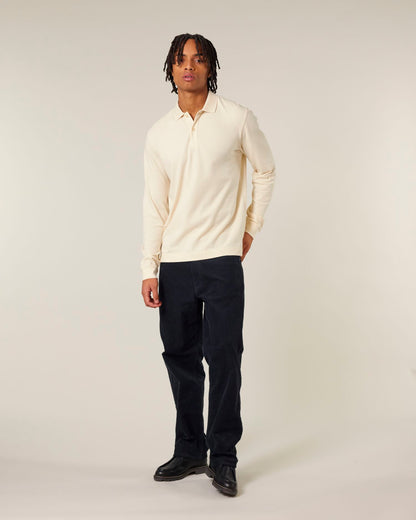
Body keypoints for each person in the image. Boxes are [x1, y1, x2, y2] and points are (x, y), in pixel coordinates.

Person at [140, 33, 275, 497]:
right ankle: (189, 450)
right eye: (181, 60)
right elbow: (154, 204)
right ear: (171, 69)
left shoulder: (236, 118)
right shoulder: (159, 133)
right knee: (180, 357)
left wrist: (250, 228)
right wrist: (149, 266)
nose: (189, 66)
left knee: (224, 357)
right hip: (176, 263)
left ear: (210, 67)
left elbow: (265, 169)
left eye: (198, 59)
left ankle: (224, 458)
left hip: (221, 260)